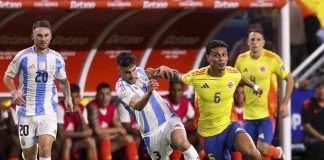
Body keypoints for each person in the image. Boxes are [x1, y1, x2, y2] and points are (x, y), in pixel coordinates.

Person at [178, 40, 262, 160]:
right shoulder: (197, 76)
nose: (221, 59)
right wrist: (160, 73)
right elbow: (179, 76)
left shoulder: (232, 73)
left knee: (253, 153)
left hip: (229, 126)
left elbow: (240, 77)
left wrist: (254, 86)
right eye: (216, 55)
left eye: (224, 54)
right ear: (208, 57)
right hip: (209, 135)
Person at [2, 20, 73, 160]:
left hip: (48, 110)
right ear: (32, 36)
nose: (43, 39)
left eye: (46, 35)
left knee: (45, 149)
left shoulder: (57, 59)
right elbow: (7, 77)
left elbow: (63, 81)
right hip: (26, 111)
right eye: (39, 35)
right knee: (29, 156)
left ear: (51, 36)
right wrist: (14, 91)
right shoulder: (22, 56)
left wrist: (68, 97)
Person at [115, 52, 199, 160]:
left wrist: (164, 71)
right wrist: (148, 93)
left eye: (133, 70)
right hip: (151, 133)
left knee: (183, 144)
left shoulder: (140, 72)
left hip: (168, 120)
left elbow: (156, 73)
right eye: (127, 72)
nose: (132, 75)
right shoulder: (121, 88)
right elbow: (136, 105)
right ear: (119, 69)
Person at [234, 30, 294, 160]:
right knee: (252, 153)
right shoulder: (241, 59)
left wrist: (284, 103)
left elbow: (289, 79)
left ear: (263, 42)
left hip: (267, 112)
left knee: (261, 147)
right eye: (252, 39)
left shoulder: (272, 59)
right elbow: (235, 80)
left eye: (258, 39)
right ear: (248, 42)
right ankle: (275, 154)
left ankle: (278, 153)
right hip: (248, 113)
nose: (255, 42)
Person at [87, 83, 138, 160]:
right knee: (105, 137)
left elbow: (121, 129)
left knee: (128, 138)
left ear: (110, 96)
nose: (104, 98)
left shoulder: (112, 107)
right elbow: (97, 131)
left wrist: (116, 131)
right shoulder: (93, 107)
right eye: (101, 94)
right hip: (93, 142)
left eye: (107, 94)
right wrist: (117, 130)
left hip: (107, 140)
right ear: (97, 95)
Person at [163, 80, 205, 160]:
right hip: (165, 135)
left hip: (179, 133)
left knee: (198, 137)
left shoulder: (185, 102)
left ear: (182, 91)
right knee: (177, 138)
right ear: (169, 90)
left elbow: (193, 119)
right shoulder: (164, 102)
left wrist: (182, 125)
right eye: (174, 90)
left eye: (179, 90)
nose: (176, 94)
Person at [56, 84, 97, 160]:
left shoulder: (82, 108)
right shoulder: (60, 107)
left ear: (80, 97)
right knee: (67, 141)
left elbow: (86, 130)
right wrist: (81, 134)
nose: (74, 101)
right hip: (60, 143)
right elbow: (61, 134)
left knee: (91, 141)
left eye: (77, 97)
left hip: (75, 142)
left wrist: (80, 115)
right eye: (71, 97)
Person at [301, 82, 324, 160]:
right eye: (319, 88)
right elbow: (306, 125)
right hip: (312, 138)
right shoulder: (308, 104)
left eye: (323, 89)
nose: (322, 91)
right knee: (320, 146)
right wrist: (321, 137)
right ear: (315, 91)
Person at [230, 84, 245, 160]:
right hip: (236, 142)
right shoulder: (230, 111)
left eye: (242, 93)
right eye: (237, 93)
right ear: (233, 95)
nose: (239, 96)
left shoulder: (251, 111)